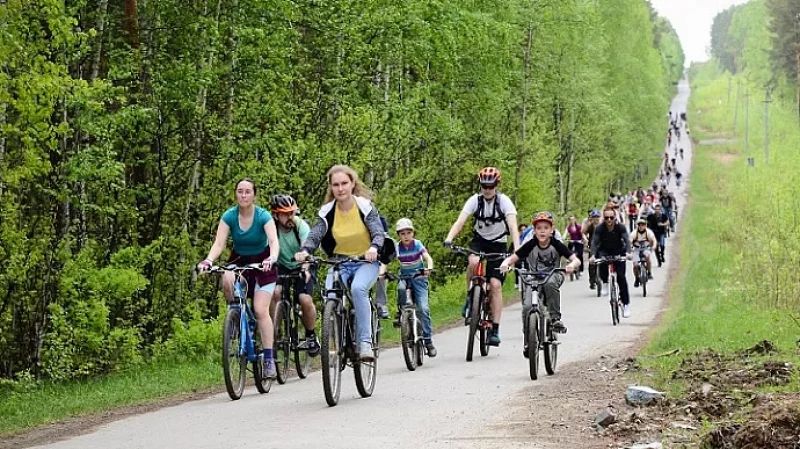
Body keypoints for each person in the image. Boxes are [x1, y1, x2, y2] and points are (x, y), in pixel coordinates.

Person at [294, 165, 388, 362]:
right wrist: (305, 251)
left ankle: (365, 343)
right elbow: (315, 234)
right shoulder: (327, 211)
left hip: (366, 261)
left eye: (344, 183)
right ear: (331, 187)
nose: (341, 188)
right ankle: (336, 336)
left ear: (352, 184)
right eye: (336, 185)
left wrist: (373, 248)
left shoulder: (364, 206)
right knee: (330, 294)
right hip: (339, 262)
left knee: (358, 289)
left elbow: (378, 231)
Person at [197, 178, 280, 378]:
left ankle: (269, 359)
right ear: (236, 194)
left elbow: (273, 241)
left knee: (260, 310)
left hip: (262, 264)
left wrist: (272, 258)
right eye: (240, 191)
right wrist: (208, 261)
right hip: (240, 261)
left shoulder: (263, 216)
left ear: (254, 195)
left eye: (247, 192)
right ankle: (235, 318)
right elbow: (219, 244)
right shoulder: (229, 216)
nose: (243, 195)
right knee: (226, 277)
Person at [444, 167, 520, 347]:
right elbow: (460, 222)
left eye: (491, 186)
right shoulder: (474, 201)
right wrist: (449, 238)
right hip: (479, 241)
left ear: (496, 185)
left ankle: (495, 329)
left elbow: (513, 228)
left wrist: (517, 250)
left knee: (495, 285)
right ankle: (470, 297)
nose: (487, 190)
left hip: (498, 244)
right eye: (484, 186)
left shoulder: (504, 202)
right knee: (473, 260)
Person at [500, 212, 580, 340]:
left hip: (553, 274)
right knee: (527, 307)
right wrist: (505, 263)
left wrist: (572, 265)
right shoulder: (531, 244)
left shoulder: (556, 244)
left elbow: (575, 259)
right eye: (539, 228)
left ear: (551, 230)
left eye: (546, 228)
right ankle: (528, 337)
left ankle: (555, 319)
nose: (542, 231)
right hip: (534, 276)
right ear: (534, 231)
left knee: (550, 284)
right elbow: (514, 257)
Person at [269, 194, 320, 357]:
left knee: (304, 299)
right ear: (276, 215)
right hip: (282, 266)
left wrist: (305, 267)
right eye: (285, 214)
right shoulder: (271, 228)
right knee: (275, 293)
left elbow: (307, 249)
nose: (290, 217)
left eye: (292, 212)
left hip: (302, 266)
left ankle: (311, 335)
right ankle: (273, 334)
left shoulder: (301, 226)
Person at [394, 218, 437, 357]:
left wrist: (429, 268)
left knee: (423, 308)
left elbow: (427, 257)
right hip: (405, 278)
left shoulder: (417, 244)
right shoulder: (397, 247)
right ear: (399, 235)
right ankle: (400, 312)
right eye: (402, 233)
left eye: (408, 232)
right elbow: (386, 261)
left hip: (419, 278)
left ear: (413, 233)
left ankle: (428, 340)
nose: (406, 236)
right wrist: (382, 272)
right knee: (400, 289)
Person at [590, 207, 632, 318]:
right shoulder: (599, 228)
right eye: (606, 218)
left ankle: (626, 304)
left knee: (621, 277)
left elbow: (627, 240)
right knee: (601, 262)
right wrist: (593, 255)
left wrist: (628, 253)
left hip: (619, 251)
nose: (609, 220)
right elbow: (594, 242)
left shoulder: (620, 227)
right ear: (603, 218)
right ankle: (605, 282)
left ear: (615, 218)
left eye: (611, 217)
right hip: (605, 250)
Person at [631, 218, 657, 286]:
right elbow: (630, 241)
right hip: (636, 249)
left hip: (646, 248)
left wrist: (654, 246)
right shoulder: (634, 233)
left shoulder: (649, 232)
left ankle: (649, 273)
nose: (641, 226)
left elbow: (654, 240)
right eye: (639, 225)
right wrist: (630, 248)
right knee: (635, 265)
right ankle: (636, 278)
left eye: (642, 225)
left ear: (645, 225)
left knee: (647, 257)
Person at [582, 209, 601, 290]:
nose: (596, 219)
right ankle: (592, 281)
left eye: (597, 217)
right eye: (594, 217)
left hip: (601, 248)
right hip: (592, 248)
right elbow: (583, 233)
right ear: (591, 218)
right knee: (592, 264)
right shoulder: (590, 226)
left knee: (604, 262)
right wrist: (585, 239)